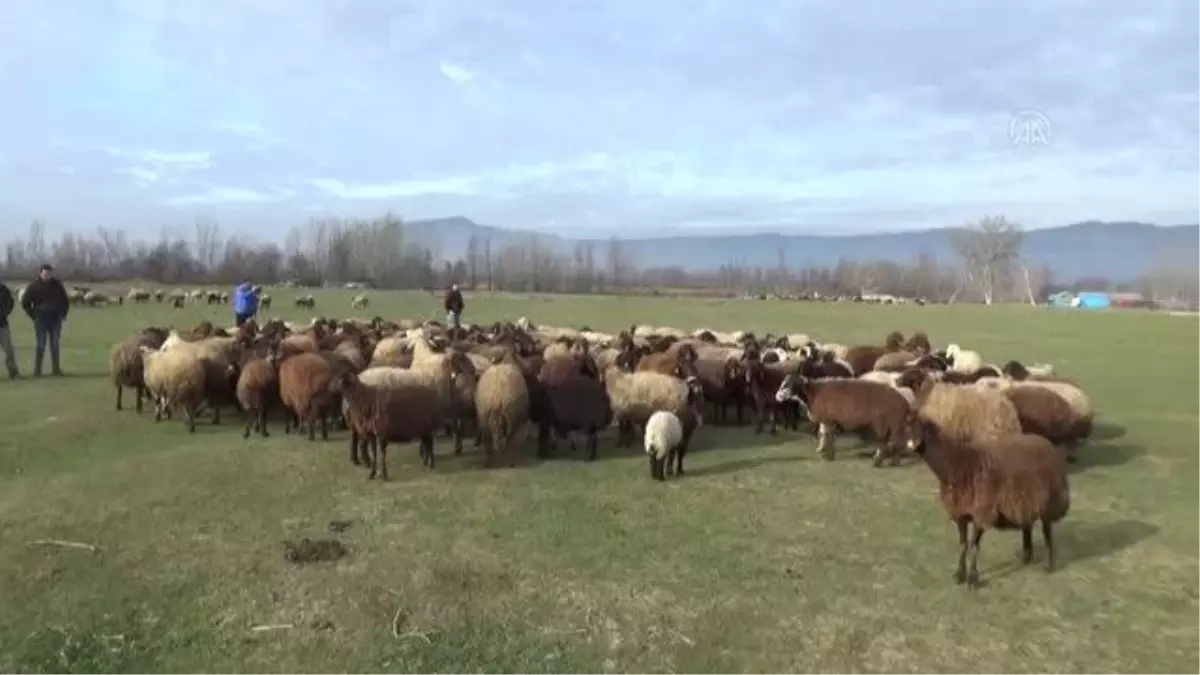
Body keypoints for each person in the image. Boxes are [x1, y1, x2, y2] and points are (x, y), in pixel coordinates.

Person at [21, 264, 69, 377]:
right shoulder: (34, 286)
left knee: (55, 344)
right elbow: (25, 302)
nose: (48, 275)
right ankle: (37, 370)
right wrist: (33, 315)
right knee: (40, 344)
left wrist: (63, 314)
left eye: (50, 273)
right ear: (41, 273)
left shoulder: (57, 285)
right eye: (46, 273)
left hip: (55, 320)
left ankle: (56, 370)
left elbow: (65, 300)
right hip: (40, 320)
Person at [0, 281, 20, 379]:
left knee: (8, 350)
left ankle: (13, 371)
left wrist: (4, 314)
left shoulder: (3, 289)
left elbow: (10, 303)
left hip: (2, 324)